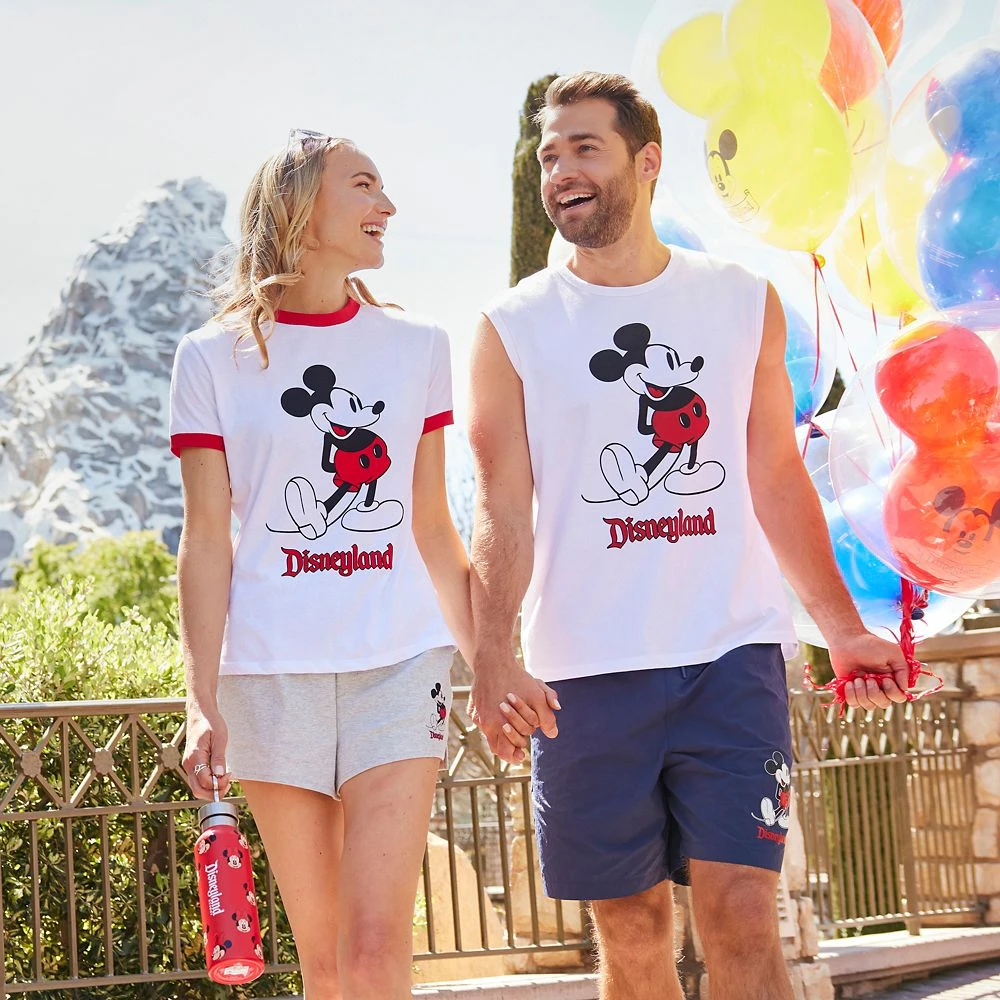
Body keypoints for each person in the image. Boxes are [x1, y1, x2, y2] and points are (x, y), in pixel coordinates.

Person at [467, 73, 911, 1000]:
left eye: (585, 148)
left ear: (648, 162)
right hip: (583, 673)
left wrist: (841, 627)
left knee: (743, 915)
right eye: (549, 155)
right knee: (632, 932)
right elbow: (501, 507)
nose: (561, 171)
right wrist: (494, 654)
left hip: (730, 657)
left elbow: (775, 473)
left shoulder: (741, 300)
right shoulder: (511, 328)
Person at [170, 130, 472, 1000]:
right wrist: (199, 698)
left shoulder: (418, 347)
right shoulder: (211, 358)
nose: (388, 205)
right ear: (302, 209)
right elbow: (207, 540)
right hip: (269, 675)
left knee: (376, 948)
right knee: (328, 963)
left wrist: (491, 659)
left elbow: (433, 525)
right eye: (364, 185)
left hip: (400, 666)